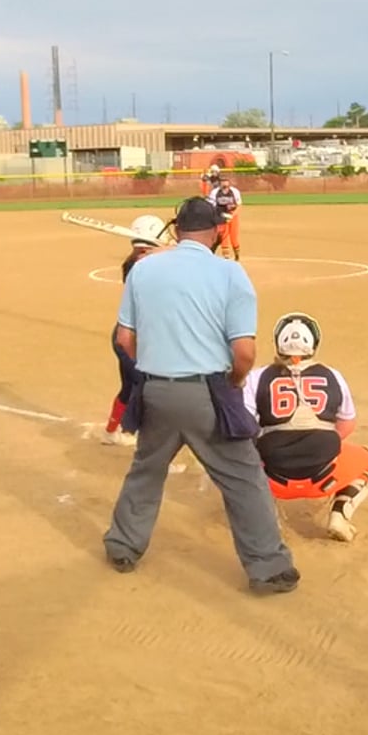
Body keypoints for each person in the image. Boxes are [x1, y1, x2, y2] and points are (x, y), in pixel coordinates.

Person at [105, 197, 299, 594]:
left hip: (156, 389)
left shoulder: (144, 269)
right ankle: (268, 568)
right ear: (216, 231)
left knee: (146, 470)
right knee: (244, 478)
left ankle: (123, 546)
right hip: (209, 391)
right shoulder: (229, 272)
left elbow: (124, 339)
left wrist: (154, 366)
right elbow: (244, 352)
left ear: (177, 230)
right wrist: (236, 382)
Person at [244, 312, 368, 542]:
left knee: (239, 460)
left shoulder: (256, 377)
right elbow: (347, 424)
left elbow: (243, 427)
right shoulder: (333, 375)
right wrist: (318, 443)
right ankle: (340, 513)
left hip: (273, 480)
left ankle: (267, 518)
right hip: (324, 476)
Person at [102, 215, 170, 446]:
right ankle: (146, 439)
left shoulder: (137, 263)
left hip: (128, 334)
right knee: (147, 389)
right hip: (136, 340)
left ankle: (111, 432)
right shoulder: (140, 267)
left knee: (130, 386)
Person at [210, 175, 244, 260]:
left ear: (229, 182)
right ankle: (226, 257)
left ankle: (237, 256)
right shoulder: (215, 192)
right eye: (222, 181)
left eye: (226, 181)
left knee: (234, 238)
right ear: (220, 183)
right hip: (221, 217)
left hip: (232, 216)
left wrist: (232, 216)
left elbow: (239, 205)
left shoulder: (234, 191)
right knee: (223, 237)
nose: (224, 183)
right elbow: (211, 206)